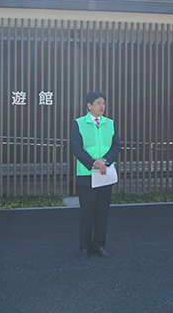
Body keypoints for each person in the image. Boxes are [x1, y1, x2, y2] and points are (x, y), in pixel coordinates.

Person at [71, 91, 121, 260]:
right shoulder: (79, 123)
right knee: (87, 213)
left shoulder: (110, 123)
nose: (102, 106)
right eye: (98, 103)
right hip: (87, 174)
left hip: (105, 173)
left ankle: (99, 245)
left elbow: (116, 146)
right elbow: (77, 148)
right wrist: (95, 163)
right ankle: (84, 247)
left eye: (103, 103)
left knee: (102, 212)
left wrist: (105, 161)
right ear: (89, 106)